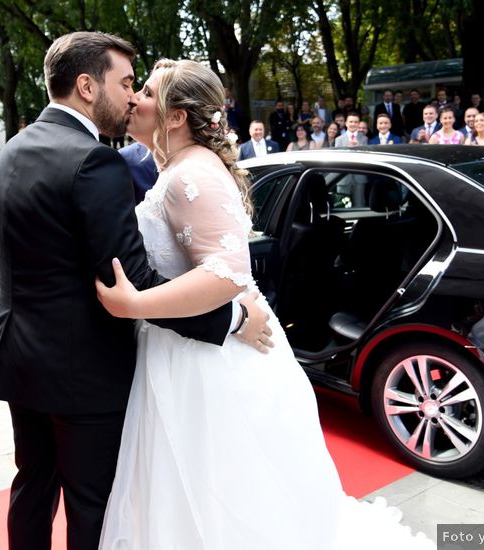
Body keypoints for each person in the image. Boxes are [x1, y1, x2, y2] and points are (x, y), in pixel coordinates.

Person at [94, 57, 432, 550]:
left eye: (146, 91)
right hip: (182, 349)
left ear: (174, 116)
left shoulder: (193, 175)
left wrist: (135, 304)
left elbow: (227, 274)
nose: (134, 99)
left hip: (207, 366)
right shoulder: (173, 169)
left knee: (222, 492)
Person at [0, 32, 272, 550]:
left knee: (31, 489)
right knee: (92, 506)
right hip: (85, 373)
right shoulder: (95, 161)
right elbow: (131, 281)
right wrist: (229, 320)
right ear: (88, 86)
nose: (131, 96)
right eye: (124, 83)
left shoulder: (9, 153)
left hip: (19, 359)